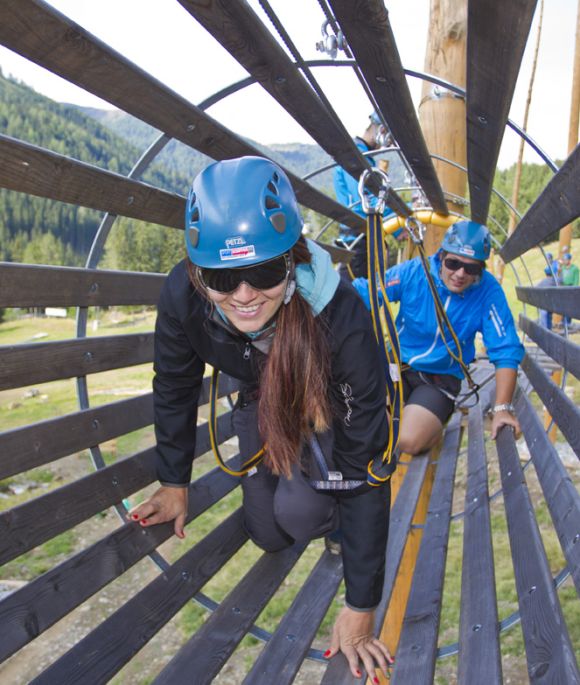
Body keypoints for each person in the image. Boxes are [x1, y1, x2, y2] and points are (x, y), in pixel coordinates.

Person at [128, 156, 395, 680]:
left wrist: (361, 607)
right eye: (224, 277)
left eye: (264, 271)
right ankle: (301, 474)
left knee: (301, 514)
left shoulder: (339, 316)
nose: (245, 295)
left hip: (326, 406)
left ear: (292, 260)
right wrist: (173, 480)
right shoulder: (184, 295)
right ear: (198, 271)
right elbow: (176, 384)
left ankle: (328, 508)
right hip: (260, 395)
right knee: (268, 531)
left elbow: (367, 457)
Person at [352, 220, 525, 455]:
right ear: (441, 256)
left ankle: (429, 427)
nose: (461, 274)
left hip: (439, 377)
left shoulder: (488, 291)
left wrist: (502, 408)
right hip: (395, 366)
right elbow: (369, 291)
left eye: (472, 268)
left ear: (481, 270)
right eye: (453, 263)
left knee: (408, 440)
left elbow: (505, 349)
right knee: (359, 420)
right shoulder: (414, 271)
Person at [333, 112, 399, 280]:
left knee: (362, 296)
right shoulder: (355, 157)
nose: (385, 146)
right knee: (357, 297)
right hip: (358, 240)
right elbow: (364, 202)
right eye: (388, 139)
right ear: (381, 131)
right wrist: (399, 223)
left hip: (359, 238)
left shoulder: (362, 157)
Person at [536, 263, 559, 330]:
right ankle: (548, 329)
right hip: (550, 304)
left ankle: (545, 329)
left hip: (543, 304)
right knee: (547, 317)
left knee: (544, 317)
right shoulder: (555, 281)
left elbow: (536, 288)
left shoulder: (544, 281)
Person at [560, 252, 578, 327]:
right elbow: (560, 278)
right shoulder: (562, 268)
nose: (564, 261)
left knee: (569, 306)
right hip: (563, 287)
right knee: (563, 305)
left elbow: (576, 280)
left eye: (565, 259)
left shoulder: (575, 269)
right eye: (563, 259)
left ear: (569, 260)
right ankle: (563, 321)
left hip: (570, 288)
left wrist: (573, 290)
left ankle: (568, 322)